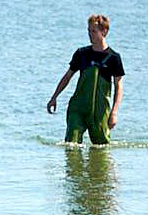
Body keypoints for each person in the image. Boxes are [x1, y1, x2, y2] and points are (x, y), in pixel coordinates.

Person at [47, 15, 125, 145]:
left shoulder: (113, 58)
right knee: (71, 145)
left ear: (104, 31)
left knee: (102, 148)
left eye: (94, 31)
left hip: (100, 111)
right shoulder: (81, 54)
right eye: (88, 31)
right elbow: (67, 77)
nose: (90, 35)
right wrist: (54, 97)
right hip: (78, 108)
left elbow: (119, 86)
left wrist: (114, 113)